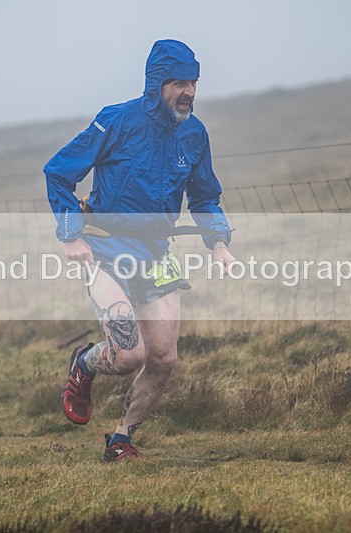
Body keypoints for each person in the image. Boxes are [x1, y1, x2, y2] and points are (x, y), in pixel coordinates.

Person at [44, 39, 235, 462]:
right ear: (156, 84)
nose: (188, 92)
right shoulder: (116, 121)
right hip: (106, 248)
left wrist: (219, 242)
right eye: (179, 83)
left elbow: (205, 197)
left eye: (193, 82)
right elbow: (58, 173)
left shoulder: (195, 133)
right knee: (130, 354)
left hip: (158, 255)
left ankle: (121, 439)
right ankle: (86, 364)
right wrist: (70, 233)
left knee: (164, 358)